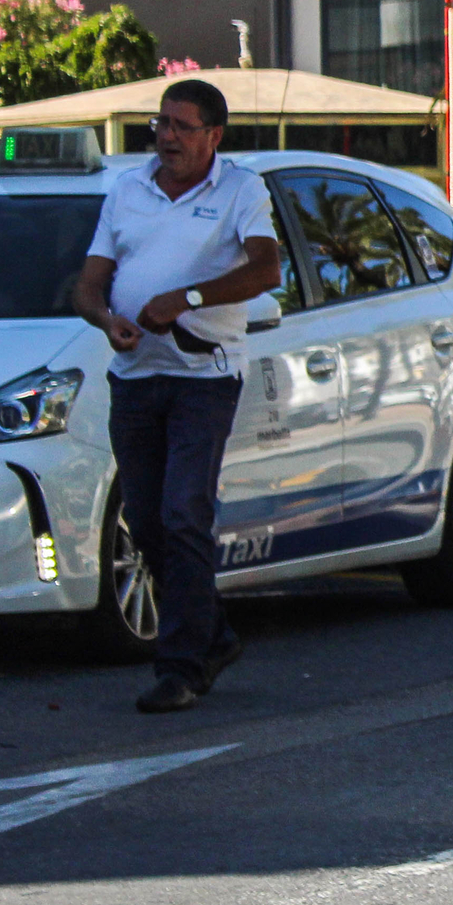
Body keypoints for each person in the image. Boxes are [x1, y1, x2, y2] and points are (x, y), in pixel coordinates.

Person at [72, 80, 284, 714]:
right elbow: (88, 286)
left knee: (184, 513)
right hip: (136, 376)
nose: (166, 137)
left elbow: (266, 270)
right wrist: (107, 320)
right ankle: (212, 634)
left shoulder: (242, 189)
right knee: (146, 520)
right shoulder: (126, 191)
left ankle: (181, 666)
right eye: (159, 124)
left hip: (204, 378)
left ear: (213, 136)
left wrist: (186, 300)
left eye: (181, 127)